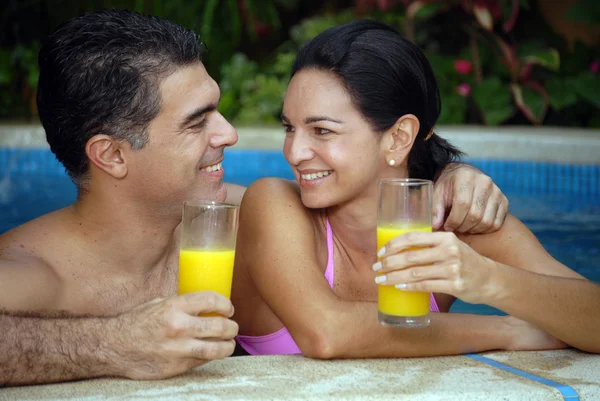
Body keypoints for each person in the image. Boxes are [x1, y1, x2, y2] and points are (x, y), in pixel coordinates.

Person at [0, 10, 510, 386]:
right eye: (198, 121)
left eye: (217, 111)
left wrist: (446, 173)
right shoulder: (33, 272)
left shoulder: (250, 218)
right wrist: (113, 345)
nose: (228, 134)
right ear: (111, 155)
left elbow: (359, 188)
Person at [232, 20, 600, 358]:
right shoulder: (274, 202)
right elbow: (327, 333)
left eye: (322, 131)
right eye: (289, 128)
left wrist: (487, 280)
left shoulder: (453, 219)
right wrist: (507, 330)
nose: (294, 153)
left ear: (398, 137)